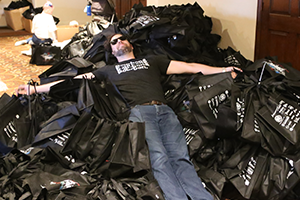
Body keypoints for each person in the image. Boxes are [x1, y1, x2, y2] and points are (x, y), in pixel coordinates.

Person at [17, 33, 241, 200]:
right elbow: (72, 81)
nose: (118, 42)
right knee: (160, 159)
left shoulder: (153, 60)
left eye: (121, 38)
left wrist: (223, 70)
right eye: (113, 42)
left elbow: (191, 67)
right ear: (112, 52)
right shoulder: (108, 71)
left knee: (181, 158)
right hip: (140, 113)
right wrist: (34, 90)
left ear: (130, 43)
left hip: (165, 110)